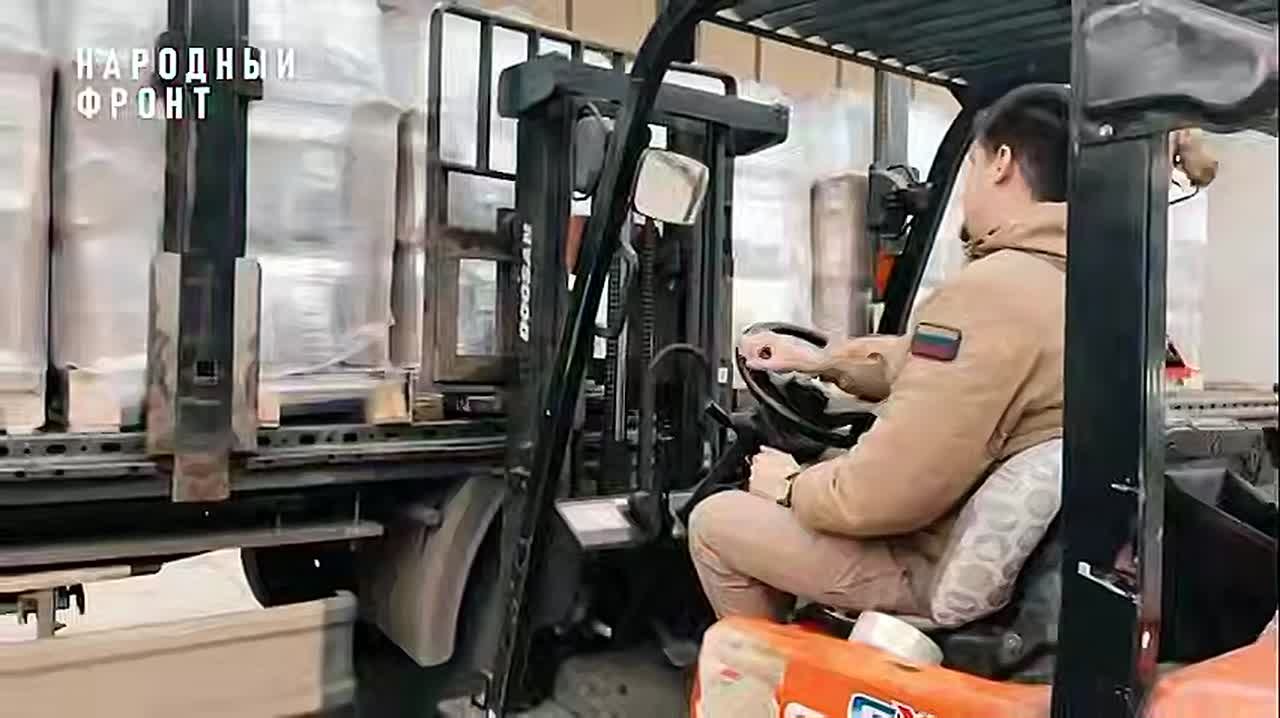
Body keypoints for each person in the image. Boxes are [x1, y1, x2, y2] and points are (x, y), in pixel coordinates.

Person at [688, 96, 1072, 621]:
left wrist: (791, 486)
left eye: (972, 166)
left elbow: (881, 494)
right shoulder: (1069, 281)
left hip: (922, 559)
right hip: (978, 542)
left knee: (715, 521)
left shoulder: (991, 293)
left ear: (1001, 163)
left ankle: (766, 669)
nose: (966, 190)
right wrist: (823, 361)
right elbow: (933, 366)